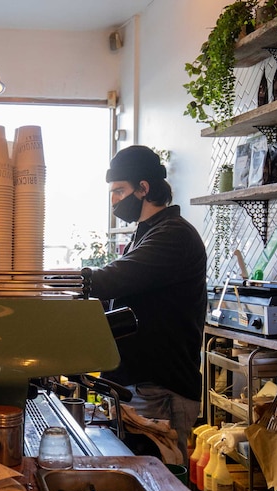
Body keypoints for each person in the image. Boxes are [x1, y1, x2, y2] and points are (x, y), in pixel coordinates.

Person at [89, 146, 207, 465]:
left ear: (144, 188)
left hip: (158, 389)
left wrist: (62, 280)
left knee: (161, 487)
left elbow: (114, 279)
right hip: (141, 385)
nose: (114, 200)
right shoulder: (148, 233)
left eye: (119, 191)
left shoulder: (174, 236)